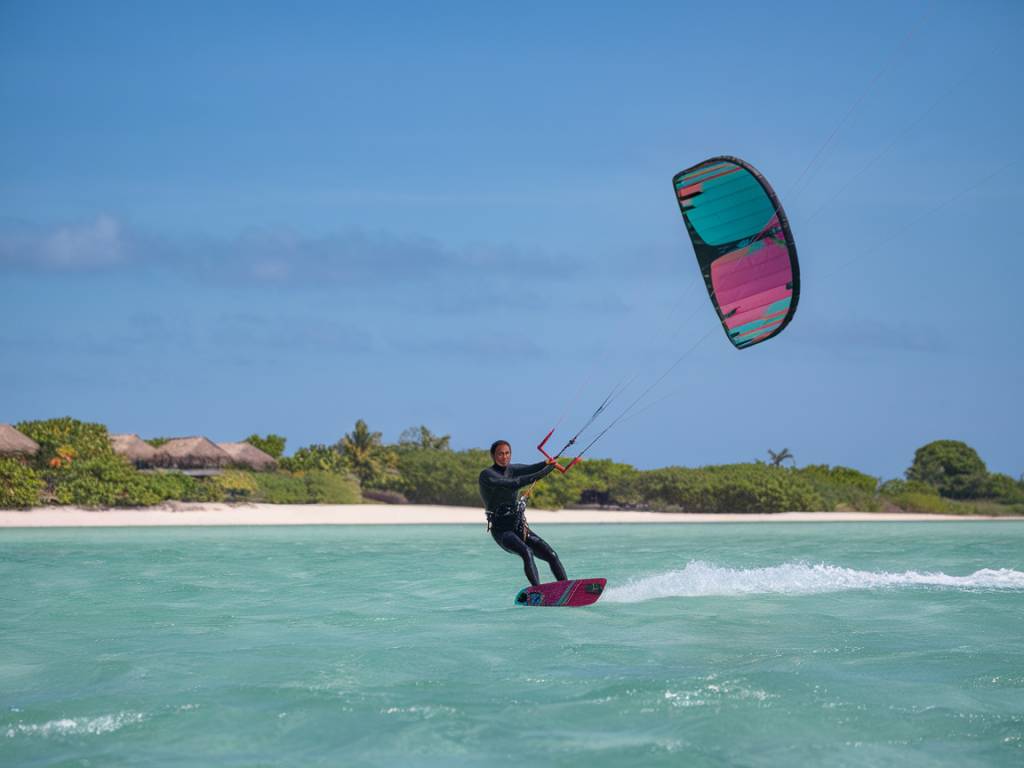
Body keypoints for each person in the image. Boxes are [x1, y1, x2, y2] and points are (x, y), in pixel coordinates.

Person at [478, 439, 567, 586]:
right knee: (527, 552)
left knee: (552, 555)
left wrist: (547, 463)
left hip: (518, 526)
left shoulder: (512, 469)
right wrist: (548, 470)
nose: (504, 457)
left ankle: (566, 588)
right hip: (502, 530)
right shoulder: (487, 475)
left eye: (507, 453)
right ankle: (537, 590)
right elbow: (514, 484)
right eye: (500, 454)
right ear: (493, 455)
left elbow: (532, 468)